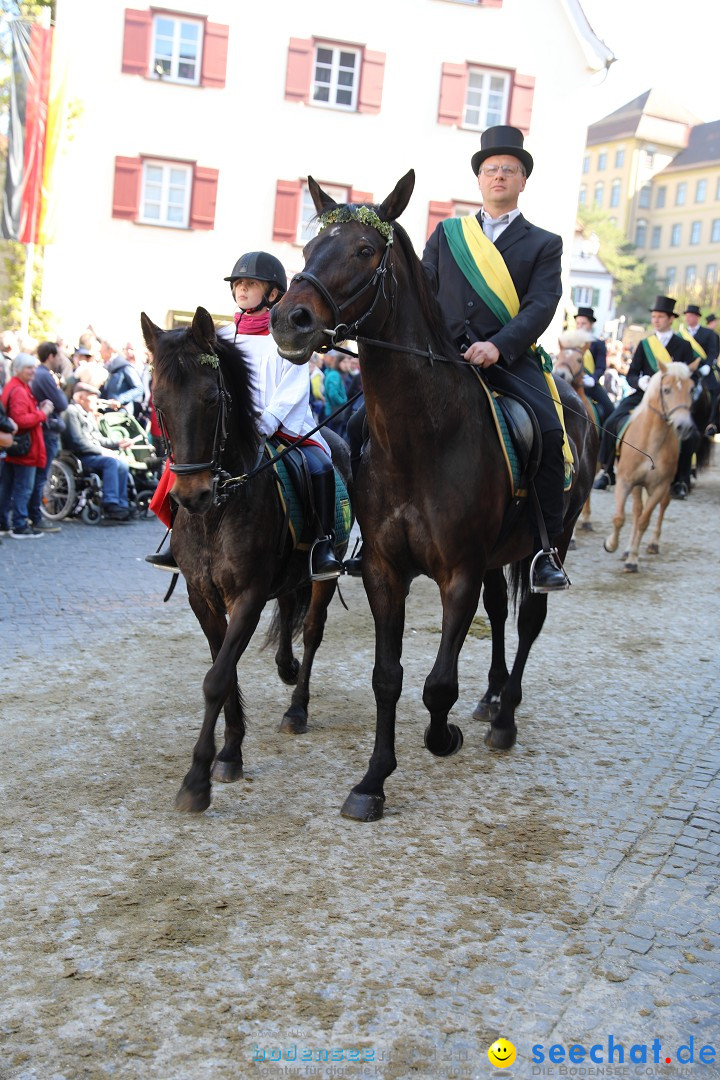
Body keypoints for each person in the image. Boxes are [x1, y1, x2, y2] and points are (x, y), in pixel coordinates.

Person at [421, 124, 570, 592]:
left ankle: (545, 550)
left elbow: (541, 305)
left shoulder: (544, 243)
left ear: (523, 180)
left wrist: (499, 346)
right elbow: (424, 291)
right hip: (445, 358)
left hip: (509, 360)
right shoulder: (448, 235)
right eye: (491, 169)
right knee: (367, 420)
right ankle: (373, 537)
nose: (499, 176)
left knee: (547, 431)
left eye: (509, 169)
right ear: (479, 179)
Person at [147, 251, 343, 580]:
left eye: (250, 284)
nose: (241, 289)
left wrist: (267, 422)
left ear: (273, 293)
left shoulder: (287, 333)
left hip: (282, 425)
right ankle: (175, 538)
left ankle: (321, 544)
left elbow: (294, 387)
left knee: (319, 465)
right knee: (186, 463)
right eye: (238, 284)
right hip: (235, 428)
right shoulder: (220, 337)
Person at [593, 296, 694, 491]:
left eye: (660, 317)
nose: (656, 320)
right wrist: (641, 381)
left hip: (673, 398)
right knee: (612, 421)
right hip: (645, 395)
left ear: (671, 319)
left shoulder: (683, 346)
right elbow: (632, 374)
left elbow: (690, 376)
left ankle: (681, 480)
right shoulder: (645, 343)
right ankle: (607, 470)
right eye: (654, 316)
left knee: (692, 434)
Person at [63, 383, 136, 521]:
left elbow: (98, 439)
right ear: (80, 398)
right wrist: (103, 451)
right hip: (80, 456)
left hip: (94, 453)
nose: (96, 402)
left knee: (122, 463)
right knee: (111, 462)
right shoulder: (71, 411)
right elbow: (77, 442)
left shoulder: (89, 414)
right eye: (92, 398)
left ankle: (122, 503)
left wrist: (117, 443)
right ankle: (111, 503)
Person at [0, 353, 54, 538]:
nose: (33, 371)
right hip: (25, 449)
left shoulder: (14, 387)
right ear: (18, 370)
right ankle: (20, 525)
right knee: (23, 488)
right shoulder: (19, 390)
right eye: (28, 368)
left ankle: (5, 523)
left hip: (16, 447)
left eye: (33, 367)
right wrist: (43, 413)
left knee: (7, 487)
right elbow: (20, 420)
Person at [27, 342, 69, 533]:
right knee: (40, 475)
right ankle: (34, 516)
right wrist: (58, 388)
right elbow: (61, 403)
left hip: (44, 429)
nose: (60, 360)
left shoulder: (40, 375)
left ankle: (31, 515)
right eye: (58, 356)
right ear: (51, 356)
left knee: (37, 476)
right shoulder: (44, 375)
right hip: (47, 430)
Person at [680, 304, 720, 436]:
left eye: (691, 316)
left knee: (716, 390)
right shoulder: (681, 334)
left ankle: (712, 422)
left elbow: (713, 351)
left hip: (705, 370)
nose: (688, 318)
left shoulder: (709, 333)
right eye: (687, 316)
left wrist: (708, 365)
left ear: (697, 317)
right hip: (687, 371)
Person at [573, 307, 613, 424]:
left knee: (610, 410)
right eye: (578, 323)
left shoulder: (598, 344)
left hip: (590, 384)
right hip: (571, 382)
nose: (580, 326)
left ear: (591, 324)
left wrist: (593, 379)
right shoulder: (570, 341)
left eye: (583, 323)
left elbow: (601, 366)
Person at [100, 339, 145, 418]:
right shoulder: (106, 366)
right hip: (108, 412)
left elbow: (139, 388)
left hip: (122, 412)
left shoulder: (124, 367)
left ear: (110, 350)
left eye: (102, 349)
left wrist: (120, 400)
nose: (100, 351)